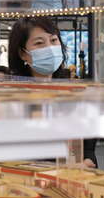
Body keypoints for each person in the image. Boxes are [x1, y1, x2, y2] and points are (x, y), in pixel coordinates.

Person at [8, 17, 96, 167]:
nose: (49, 47)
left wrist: (86, 163)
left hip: (71, 177)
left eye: (53, 40)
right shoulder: (12, 98)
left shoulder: (73, 93)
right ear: (23, 53)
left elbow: (88, 150)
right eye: (39, 43)